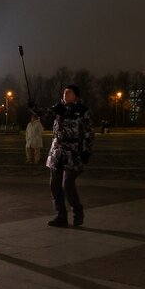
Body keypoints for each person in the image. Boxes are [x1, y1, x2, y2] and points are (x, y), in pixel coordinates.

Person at [28, 84, 94, 227]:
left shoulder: (82, 110)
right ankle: (60, 215)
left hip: (73, 152)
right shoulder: (58, 108)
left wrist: (86, 150)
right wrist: (33, 106)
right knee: (54, 185)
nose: (65, 93)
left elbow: (88, 132)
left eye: (68, 92)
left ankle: (77, 212)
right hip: (57, 151)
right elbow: (43, 113)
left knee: (68, 184)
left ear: (75, 95)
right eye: (64, 92)